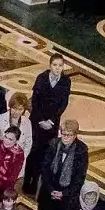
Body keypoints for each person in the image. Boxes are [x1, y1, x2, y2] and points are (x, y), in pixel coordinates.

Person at [36, 119, 88, 210]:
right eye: (63, 134)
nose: (65, 137)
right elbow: (45, 168)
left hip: (67, 196)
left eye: (69, 135)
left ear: (75, 135)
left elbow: (79, 178)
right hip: (50, 191)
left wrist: (64, 194)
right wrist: (51, 189)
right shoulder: (53, 144)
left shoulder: (81, 151)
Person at [24, 54, 72, 195]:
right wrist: (40, 120)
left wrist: (51, 121)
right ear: (50, 65)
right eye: (55, 65)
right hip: (36, 122)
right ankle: (26, 182)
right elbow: (35, 101)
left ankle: (35, 183)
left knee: (45, 155)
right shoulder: (41, 78)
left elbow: (63, 103)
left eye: (60, 65)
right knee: (33, 152)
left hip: (52, 125)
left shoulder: (66, 81)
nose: (57, 68)